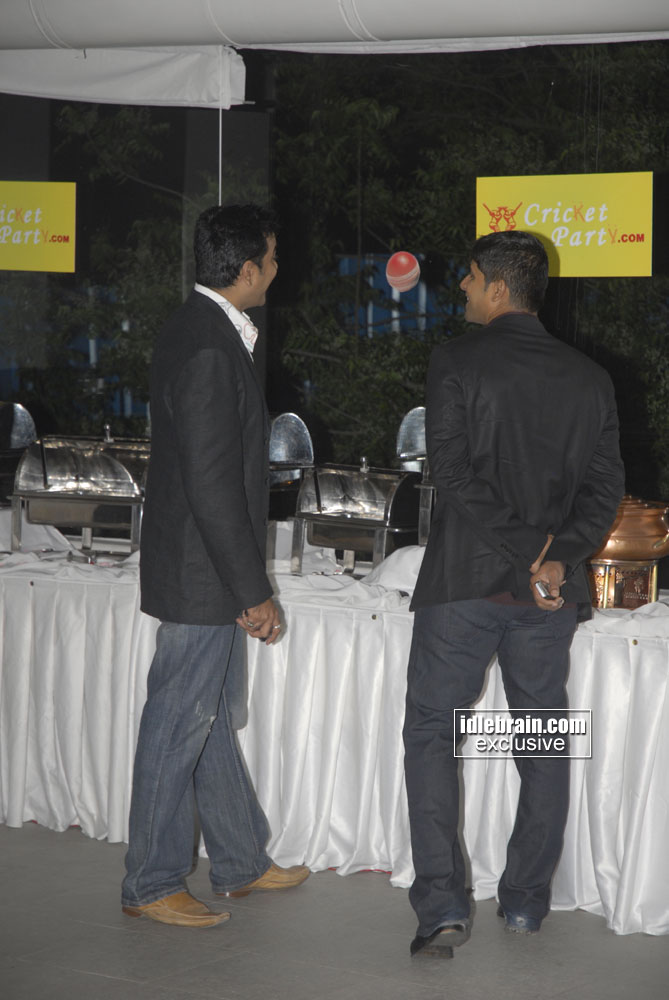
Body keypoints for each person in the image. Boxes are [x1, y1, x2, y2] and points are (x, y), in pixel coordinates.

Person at [403, 230, 624, 957]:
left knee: (432, 732)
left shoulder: (456, 360)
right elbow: (605, 492)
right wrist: (555, 558)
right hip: (546, 596)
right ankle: (526, 903)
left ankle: (442, 908)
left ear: (498, 287)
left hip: (464, 586)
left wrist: (533, 552)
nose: (463, 288)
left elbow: (452, 475)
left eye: (469, 278)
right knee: (541, 739)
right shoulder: (590, 377)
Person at [121, 203, 309, 927]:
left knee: (209, 719)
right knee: (179, 723)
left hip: (205, 568)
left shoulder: (202, 328)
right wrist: (251, 590)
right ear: (248, 269)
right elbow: (211, 484)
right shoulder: (206, 344)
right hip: (204, 574)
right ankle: (151, 881)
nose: (277, 270)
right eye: (272, 258)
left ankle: (239, 861)